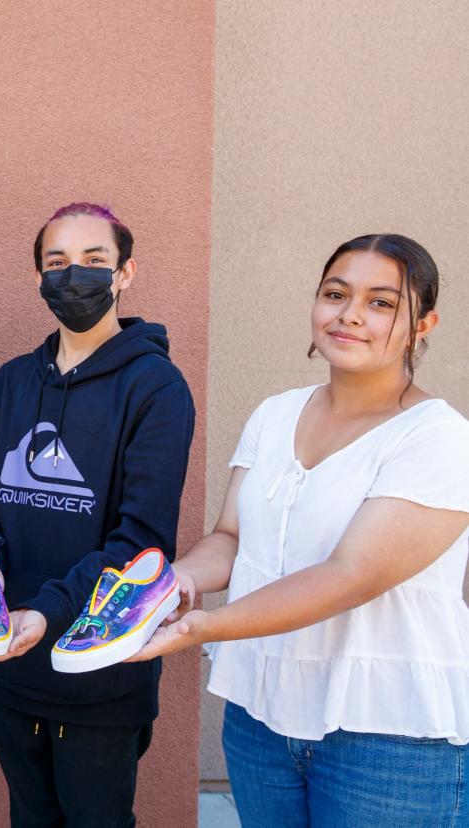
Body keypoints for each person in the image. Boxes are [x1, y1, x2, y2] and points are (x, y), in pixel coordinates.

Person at [133, 234, 469, 826]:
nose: (350, 314)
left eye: (382, 302)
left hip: (388, 736)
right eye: (335, 293)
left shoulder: (437, 438)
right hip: (260, 717)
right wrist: (166, 586)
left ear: (425, 323)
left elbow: (350, 576)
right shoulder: (275, 413)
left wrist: (200, 626)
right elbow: (231, 539)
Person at [0, 203, 196, 827]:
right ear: (38, 277)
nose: (73, 276)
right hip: (9, 659)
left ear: (126, 272)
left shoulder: (157, 388)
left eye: (93, 261)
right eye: (57, 263)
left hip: (100, 670)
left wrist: (50, 612)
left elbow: (142, 542)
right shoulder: (11, 382)